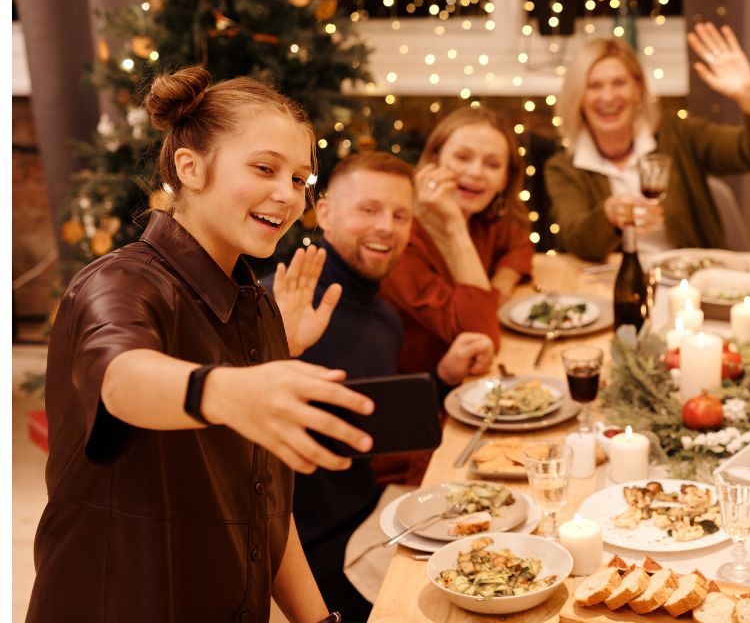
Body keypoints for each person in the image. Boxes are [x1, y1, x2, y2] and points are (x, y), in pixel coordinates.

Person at [28, 67, 371, 622]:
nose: (286, 195)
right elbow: (122, 379)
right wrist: (226, 390)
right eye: (265, 168)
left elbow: (265, 510)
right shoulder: (118, 283)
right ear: (190, 168)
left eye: (301, 179)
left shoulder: (256, 307)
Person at [264, 152, 495, 621]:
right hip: (311, 557)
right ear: (324, 213)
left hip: (373, 515)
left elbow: (366, 410)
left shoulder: (384, 316)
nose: (386, 227)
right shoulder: (282, 302)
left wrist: (442, 376)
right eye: (367, 210)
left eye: (399, 215)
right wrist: (278, 351)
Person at [546, 23, 750, 261]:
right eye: (594, 86)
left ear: (638, 89)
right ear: (578, 96)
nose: (608, 97)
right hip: (616, 284)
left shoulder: (680, 134)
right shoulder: (564, 168)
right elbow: (576, 241)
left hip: (691, 281)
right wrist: (608, 216)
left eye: (619, 83)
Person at [380, 107, 533, 384]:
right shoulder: (399, 236)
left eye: (492, 164)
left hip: (470, 379)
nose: (475, 172)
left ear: (504, 180)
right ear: (434, 160)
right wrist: (454, 225)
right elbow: (481, 335)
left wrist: (499, 287)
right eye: (463, 157)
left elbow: (520, 243)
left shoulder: (482, 215)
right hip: (422, 390)